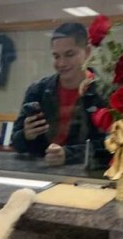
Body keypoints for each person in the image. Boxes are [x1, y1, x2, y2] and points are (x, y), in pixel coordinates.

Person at [11, 22, 110, 167]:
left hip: (87, 179)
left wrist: (68, 155)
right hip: (41, 174)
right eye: (56, 56)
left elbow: (112, 146)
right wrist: (26, 135)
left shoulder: (105, 92)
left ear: (87, 52)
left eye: (69, 54)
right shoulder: (37, 91)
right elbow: (16, 143)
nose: (61, 63)